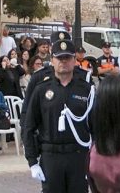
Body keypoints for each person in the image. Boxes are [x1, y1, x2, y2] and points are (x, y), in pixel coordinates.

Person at [23, 37, 94, 193]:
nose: (63, 61)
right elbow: (29, 126)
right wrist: (32, 161)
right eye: (59, 58)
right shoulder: (41, 89)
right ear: (52, 60)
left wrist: (97, 156)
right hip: (50, 155)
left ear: (75, 60)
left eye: (67, 57)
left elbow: (95, 126)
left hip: (78, 155)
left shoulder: (87, 89)